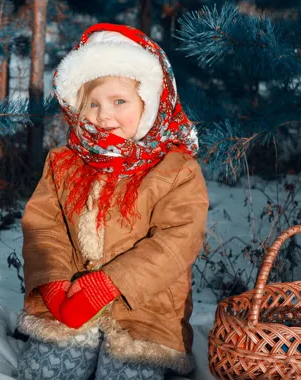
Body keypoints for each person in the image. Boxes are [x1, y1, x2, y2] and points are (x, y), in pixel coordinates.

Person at [16, 23, 209, 380]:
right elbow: (43, 225)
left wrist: (109, 284)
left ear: (148, 104)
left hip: (144, 311)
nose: (104, 115)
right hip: (69, 304)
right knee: (45, 372)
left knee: (128, 372)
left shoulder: (176, 169)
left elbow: (176, 242)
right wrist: (56, 285)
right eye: (93, 104)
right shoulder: (64, 162)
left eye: (119, 101)